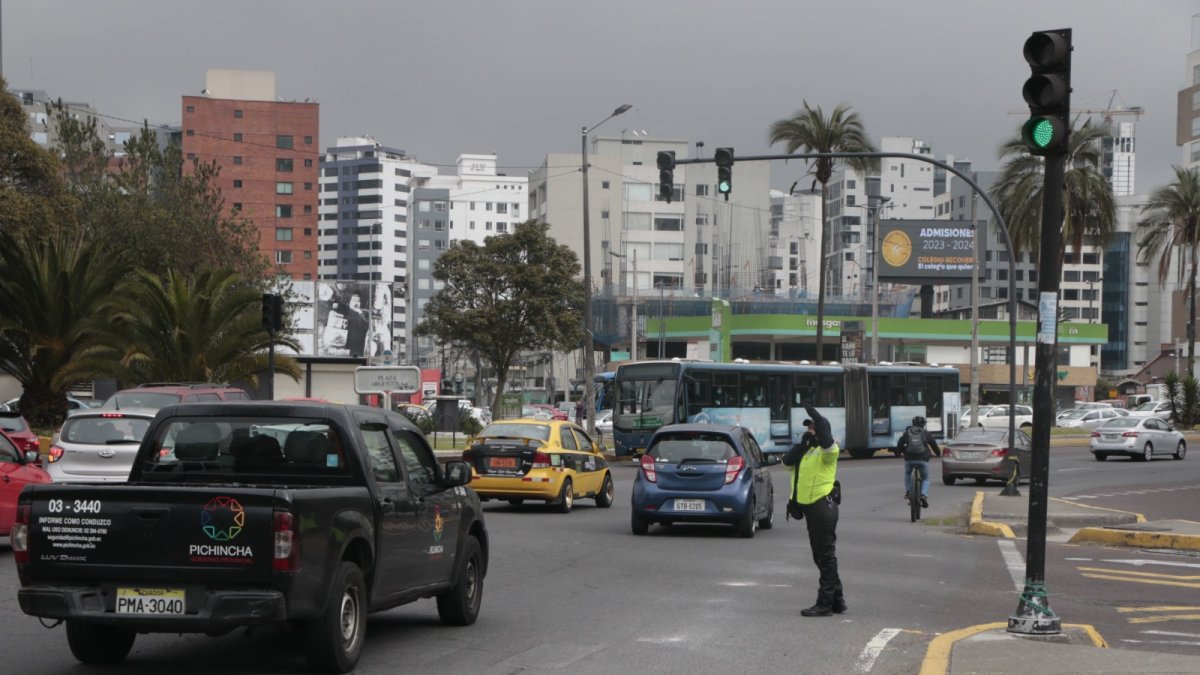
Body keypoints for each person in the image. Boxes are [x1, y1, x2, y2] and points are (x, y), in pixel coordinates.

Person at [782, 403, 845, 618]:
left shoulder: (829, 452)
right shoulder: (806, 452)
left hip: (822, 506)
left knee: (825, 556)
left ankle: (825, 603)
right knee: (820, 556)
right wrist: (802, 445)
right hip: (810, 509)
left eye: (812, 429)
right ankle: (838, 600)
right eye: (807, 428)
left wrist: (818, 418)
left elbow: (827, 440)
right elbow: (786, 462)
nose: (808, 432)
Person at [895, 415, 942, 508]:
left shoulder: (907, 432)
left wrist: (898, 453)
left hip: (909, 459)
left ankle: (908, 492)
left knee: (908, 473)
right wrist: (938, 454)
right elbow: (933, 444)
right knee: (925, 478)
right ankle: (923, 495)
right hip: (923, 459)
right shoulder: (925, 433)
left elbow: (900, 443)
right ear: (923, 424)